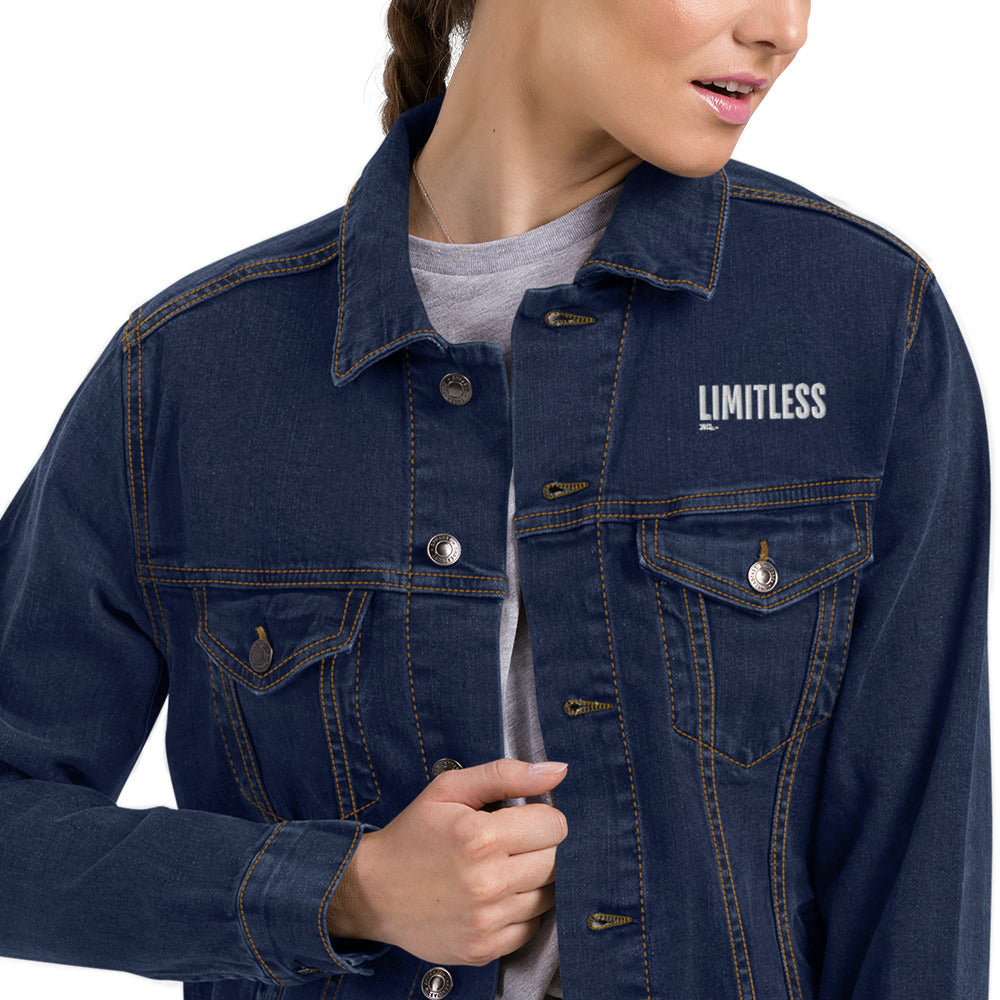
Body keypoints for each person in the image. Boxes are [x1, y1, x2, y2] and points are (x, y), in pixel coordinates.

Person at [0, 2, 991, 1000]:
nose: (784, 28)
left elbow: (913, 876)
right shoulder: (193, 371)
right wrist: (343, 890)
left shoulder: (864, 324)